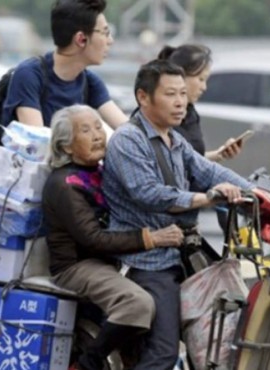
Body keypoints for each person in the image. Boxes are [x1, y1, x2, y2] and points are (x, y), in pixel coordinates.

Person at [101, 59, 254, 369]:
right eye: (171, 94)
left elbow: (207, 169)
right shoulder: (128, 140)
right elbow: (150, 193)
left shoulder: (173, 138)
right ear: (143, 97)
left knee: (224, 335)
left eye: (183, 93)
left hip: (181, 253)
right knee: (163, 354)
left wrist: (258, 193)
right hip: (148, 261)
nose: (180, 102)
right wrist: (206, 198)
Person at [43, 104, 185, 370]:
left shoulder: (99, 170)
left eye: (98, 126)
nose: (97, 135)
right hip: (78, 265)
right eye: (85, 130)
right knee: (138, 304)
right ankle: (90, 362)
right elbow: (93, 238)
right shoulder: (65, 184)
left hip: (111, 259)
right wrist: (151, 238)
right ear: (66, 147)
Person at [1, 0, 128, 128]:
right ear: (81, 39)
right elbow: (36, 142)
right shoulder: (30, 75)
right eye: (105, 33)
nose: (110, 41)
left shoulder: (90, 83)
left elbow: (126, 130)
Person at [157, 44, 243, 162]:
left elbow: (191, 160)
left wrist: (219, 155)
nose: (204, 87)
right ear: (180, 76)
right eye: (201, 79)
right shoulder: (158, 118)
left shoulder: (191, 113)